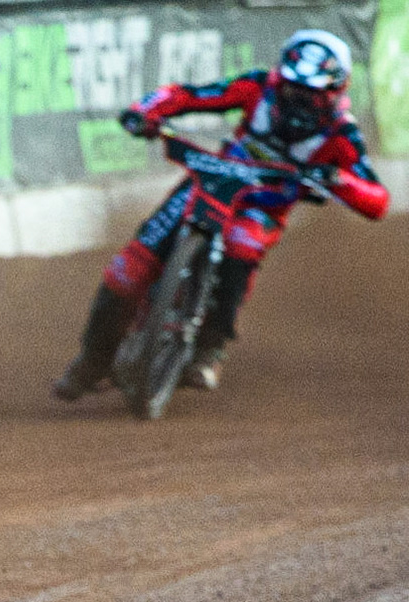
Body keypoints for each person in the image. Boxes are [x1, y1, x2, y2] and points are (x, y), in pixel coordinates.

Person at [53, 29, 389, 400]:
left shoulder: (343, 135)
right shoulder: (256, 87)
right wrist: (146, 111)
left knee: (242, 245)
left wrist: (339, 178)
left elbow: (376, 200)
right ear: (281, 79)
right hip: (209, 184)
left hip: (262, 207)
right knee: (127, 271)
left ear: (333, 93)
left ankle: (210, 350)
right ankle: (92, 361)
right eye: (293, 89)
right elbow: (193, 95)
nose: (299, 101)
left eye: (310, 93)